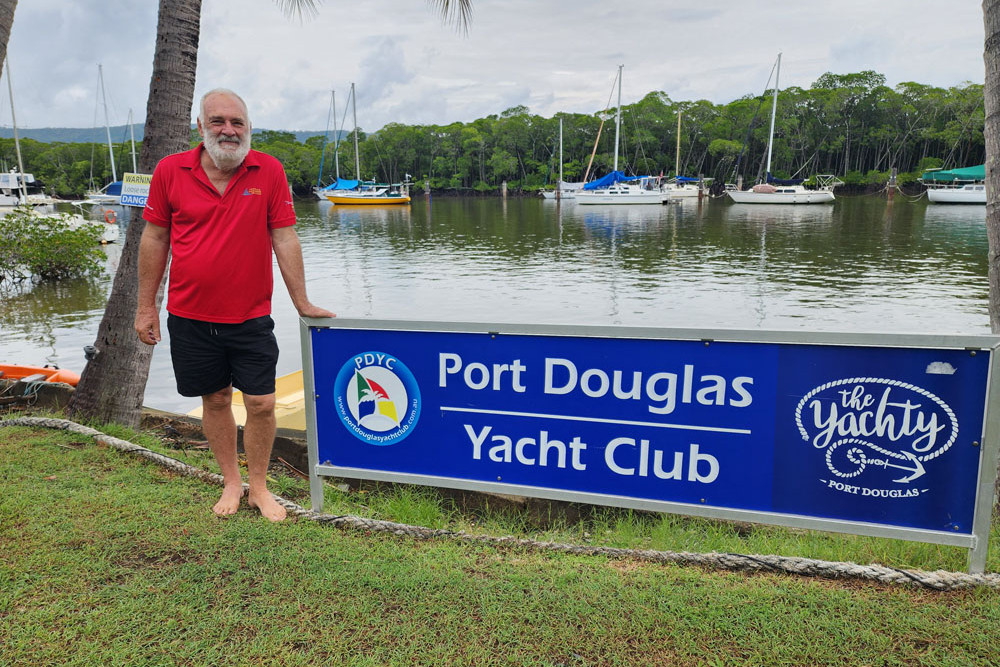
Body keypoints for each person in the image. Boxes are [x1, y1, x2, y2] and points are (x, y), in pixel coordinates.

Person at [134, 88, 334, 522]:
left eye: (237, 122)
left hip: (251, 317)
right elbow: (155, 238)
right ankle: (231, 481)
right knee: (216, 399)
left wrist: (302, 301)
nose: (229, 130)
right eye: (219, 121)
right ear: (201, 127)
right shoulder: (171, 171)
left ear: (248, 128)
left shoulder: (269, 170)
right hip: (189, 316)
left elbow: (284, 236)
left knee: (261, 402)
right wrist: (145, 306)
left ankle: (259, 487)